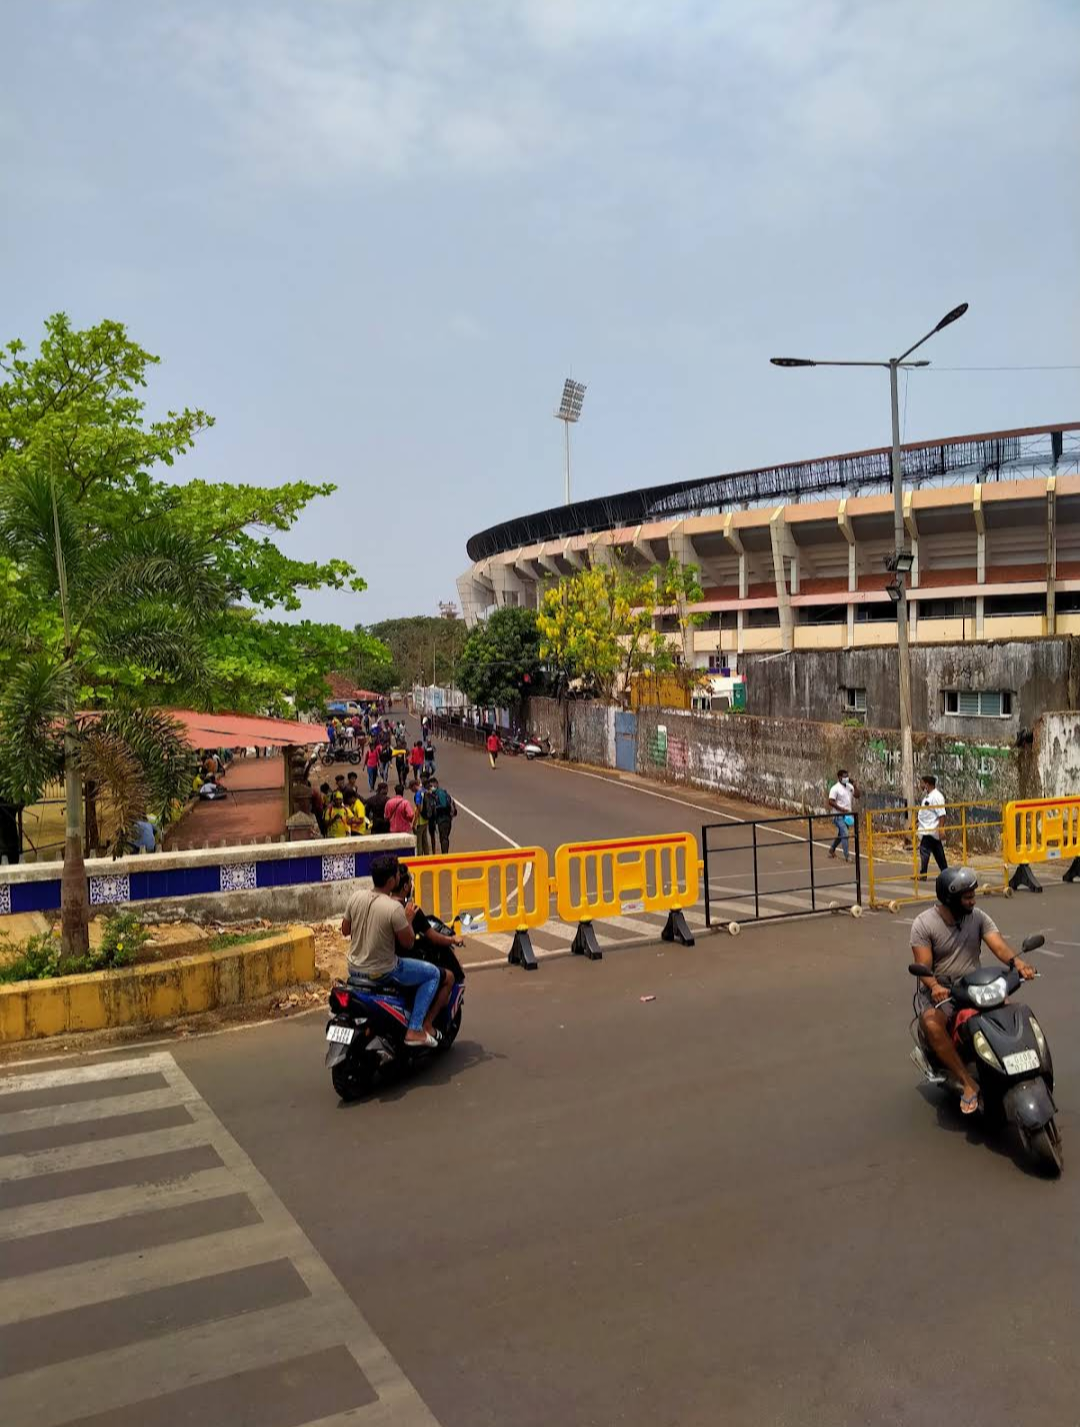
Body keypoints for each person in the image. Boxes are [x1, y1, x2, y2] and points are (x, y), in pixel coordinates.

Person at [910, 866, 1036, 1115]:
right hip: (943, 991)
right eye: (967, 897)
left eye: (973, 896)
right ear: (950, 898)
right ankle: (968, 1084)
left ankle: (1020, 1068)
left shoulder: (977, 917)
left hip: (975, 985)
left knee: (1012, 1015)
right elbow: (923, 965)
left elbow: (999, 946)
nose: (973, 901)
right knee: (931, 1024)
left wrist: (1017, 964)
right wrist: (934, 986)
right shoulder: (924, 924)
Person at [341, 855, 445, 1048]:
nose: (399, 877)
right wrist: (408, 919)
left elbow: (345, 930)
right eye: (397, 874)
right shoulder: (393, 908)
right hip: (383, 971)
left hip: (354, 969)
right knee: (433, 974)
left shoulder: (356, 897)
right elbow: (408, 943)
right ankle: (415, 1029)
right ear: (391, 881)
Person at [917, 774, 948, 876]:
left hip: (930, 830)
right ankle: (945, 872)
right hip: (927, 829)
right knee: (938, 852)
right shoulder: (929, 796)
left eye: (921, 783)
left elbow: (942, 814)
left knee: (924, 850)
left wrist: (941, 829)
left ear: (927, 784)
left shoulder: (936, 797)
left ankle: (923, 874)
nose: (920, 785)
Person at [827, 768, 859, 862]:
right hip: (838, 815)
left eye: (847, 776)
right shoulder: (835, 788)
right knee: (845, 833)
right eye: (844, 776)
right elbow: (831, 802)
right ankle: (847, 856)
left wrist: (855, 786)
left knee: (841, 834)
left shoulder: (849, 786)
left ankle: (832, 849)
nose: (846, 778)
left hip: (848, 815)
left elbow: (857, 795)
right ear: (839, 777)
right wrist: (841, 810)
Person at [429, 777, 457, 853]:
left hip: (444, 818)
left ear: (436, 784)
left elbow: (444, 805)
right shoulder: (438, 793)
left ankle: (445, 855)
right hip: (444, 818)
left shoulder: (440, 793)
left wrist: (435, 807)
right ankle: (444, 854)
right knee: (443, 837)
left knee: (444, 838)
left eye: (432, 785)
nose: (431, 788)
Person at [411, 778, 433, 856]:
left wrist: (413, 824)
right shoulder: (424, 791)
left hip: (420, 821)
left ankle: (420, 858)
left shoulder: (418, 794)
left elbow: (418, 809)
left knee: (419, 842)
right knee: (425, 840)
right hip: (426, 819)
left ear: (414, 786)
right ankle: (427, 857)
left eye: (411, 788)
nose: (411, 790)